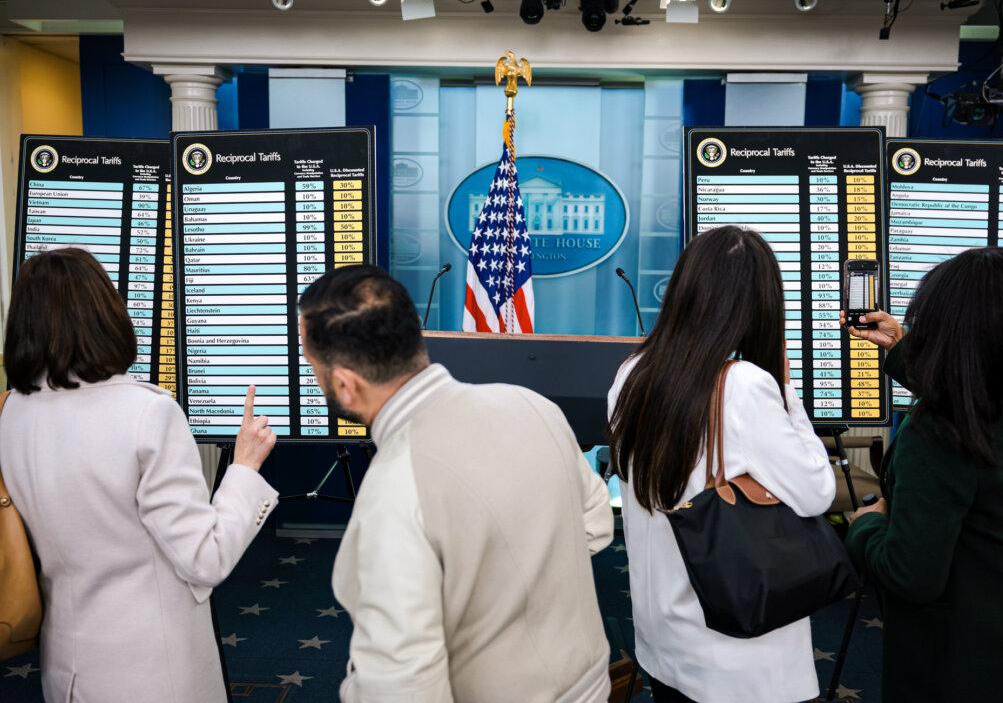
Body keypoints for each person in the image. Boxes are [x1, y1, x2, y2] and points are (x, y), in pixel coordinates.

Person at [297, 264, 614, 703]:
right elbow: (597, 525)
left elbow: (401, 687)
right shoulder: (532, 405)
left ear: (345, 386)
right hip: (593, 684)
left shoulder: (393, 488)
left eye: (313, 366)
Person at [0, 248, 278, 703]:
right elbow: (205, 559)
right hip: (154, 671)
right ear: (105, 313)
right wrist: (243, 467)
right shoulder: (148, 413)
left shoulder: (10, 412)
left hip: (65, 668)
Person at [607, 226, 836, 703]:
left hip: (664, 638)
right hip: (737, 659)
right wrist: (786, 386)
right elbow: (818, 491)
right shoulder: (746, 385)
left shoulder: (632, 372)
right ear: (760, 305)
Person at [844, 247, 1003, 702]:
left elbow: (910, 574)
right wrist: (900, 348)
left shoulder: (938, 433)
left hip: (958, 661)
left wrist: (865, 527)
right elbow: (981, 398)